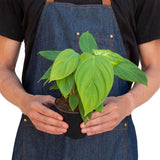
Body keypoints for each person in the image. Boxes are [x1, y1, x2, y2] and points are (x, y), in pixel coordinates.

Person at [0, 0, 160, 159]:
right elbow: (3, 66)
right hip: (39, 141)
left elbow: (155, 66)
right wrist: (24, 102)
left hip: (112, 144)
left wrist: (129, 102)